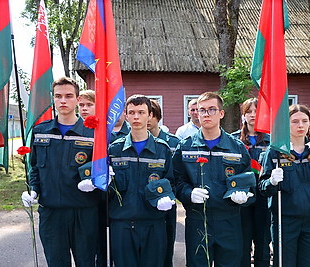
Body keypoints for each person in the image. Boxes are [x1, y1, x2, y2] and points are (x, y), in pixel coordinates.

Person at [21, 77, 99, 266]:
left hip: (84, 212)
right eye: (58, 96)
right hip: (51, 213)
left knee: (87, 262)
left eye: (68, 96)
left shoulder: (93, 134)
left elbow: (102, 171)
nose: (63, 100)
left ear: (77, 99)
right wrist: (33, 190)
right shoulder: (41, 131)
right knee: (56, 263)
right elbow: (35, 168)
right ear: (53, 99)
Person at [173, 92, 254, 267]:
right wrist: (188, 193)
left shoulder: (237, 147)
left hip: (229, 219)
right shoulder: (185, 146)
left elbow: (250, 182)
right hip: (197, 219)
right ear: (196, 113)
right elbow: (176, 181)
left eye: (212, 110)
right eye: (202, 110)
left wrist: (244, 195)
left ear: (221, 113)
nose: (206, 114)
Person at [107, 95, 176, 267]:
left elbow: (172, 182)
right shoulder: (114, 149)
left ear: (150, 115)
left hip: (153, 224)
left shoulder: (162, 150)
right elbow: (106, 191)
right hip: (122, 225)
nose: (136, 117)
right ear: (126, 115)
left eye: (141, 112)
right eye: (132, 112)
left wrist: (168, 197)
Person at [259, 104, 310, 267]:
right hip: (285, 220)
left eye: (305, 121)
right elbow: (262, 187)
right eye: (295, 121)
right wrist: (271, 182)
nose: (300, 125)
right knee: (285, 263)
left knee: (309, 263)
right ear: (286, 124)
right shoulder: (275, 151)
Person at [232, 98, 271, 267]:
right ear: (243, 115)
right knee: (242, 243)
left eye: (257, 111)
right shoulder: (233, 140)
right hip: (242, 198)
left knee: (263, 244)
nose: (253, 115)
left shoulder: (272, 140)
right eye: (249, 111)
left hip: (264, 197)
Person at [147, 99, 180, 267]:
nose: (146, 119)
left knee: (166, 246)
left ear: (157, 117)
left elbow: (178, 174)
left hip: (166, 203)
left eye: (150, 114)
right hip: (143, 203)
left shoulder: (173, 143)